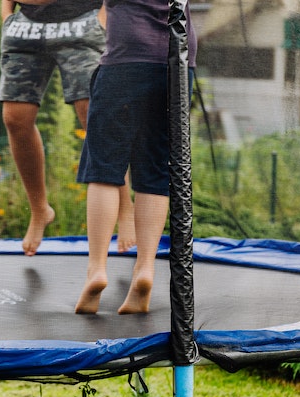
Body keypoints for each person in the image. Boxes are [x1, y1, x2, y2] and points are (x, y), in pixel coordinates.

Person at [75, 0, 196, 315]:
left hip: (125, 58)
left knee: (102, 168)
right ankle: (145, 269)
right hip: (179, 60)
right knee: (155, 170)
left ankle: (97, 269)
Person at [0, 0, 136, 256]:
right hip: (25, 25)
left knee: (92, 113)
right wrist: (7, 14)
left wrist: (104, 15)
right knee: (15, 118)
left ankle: (125, 207)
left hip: (81, 20)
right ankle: (40, 210)